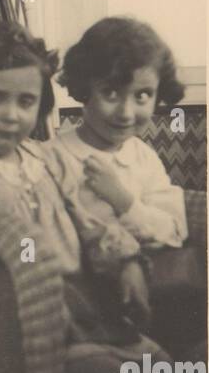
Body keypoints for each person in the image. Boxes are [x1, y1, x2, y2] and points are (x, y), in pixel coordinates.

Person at [0, 22, 172, 373]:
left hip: (88, 307)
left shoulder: (42, 160)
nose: (11, 115)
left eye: (26, 102)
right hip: (27, 329)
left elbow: (88, 222)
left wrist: (127, 260)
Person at [50, 16, 189, 330]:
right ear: (84, 88)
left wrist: (125, 202)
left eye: (141, 96)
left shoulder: (144, 158)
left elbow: (174, 230)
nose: (126, 113)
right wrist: (124, 260)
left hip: (158, 290)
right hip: (83, 296)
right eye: (111, 93)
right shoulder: (55, 157)